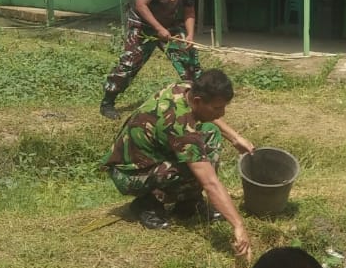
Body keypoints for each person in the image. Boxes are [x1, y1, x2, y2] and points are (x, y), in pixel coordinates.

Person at [104, 67, 254, 255]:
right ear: (198, 101)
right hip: (130, 172)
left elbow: (211, 119)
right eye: (217, 107)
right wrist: (238, 225)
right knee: (193, 169)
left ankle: (187, 203)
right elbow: (210, 183)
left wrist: (234, 137)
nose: (222, 113)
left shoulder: (187, 89)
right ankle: (147, 204)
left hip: (152, 155)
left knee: (211, 133)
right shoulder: (180, 126)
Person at [101, 0, 203, 119]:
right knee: (128, 64)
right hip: (143, 27)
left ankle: (200, 100)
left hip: (170, 27)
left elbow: (189, 11)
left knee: (189, 61)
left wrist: (190, 35)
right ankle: (107, 103)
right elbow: (141, 5)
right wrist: (158, 28)